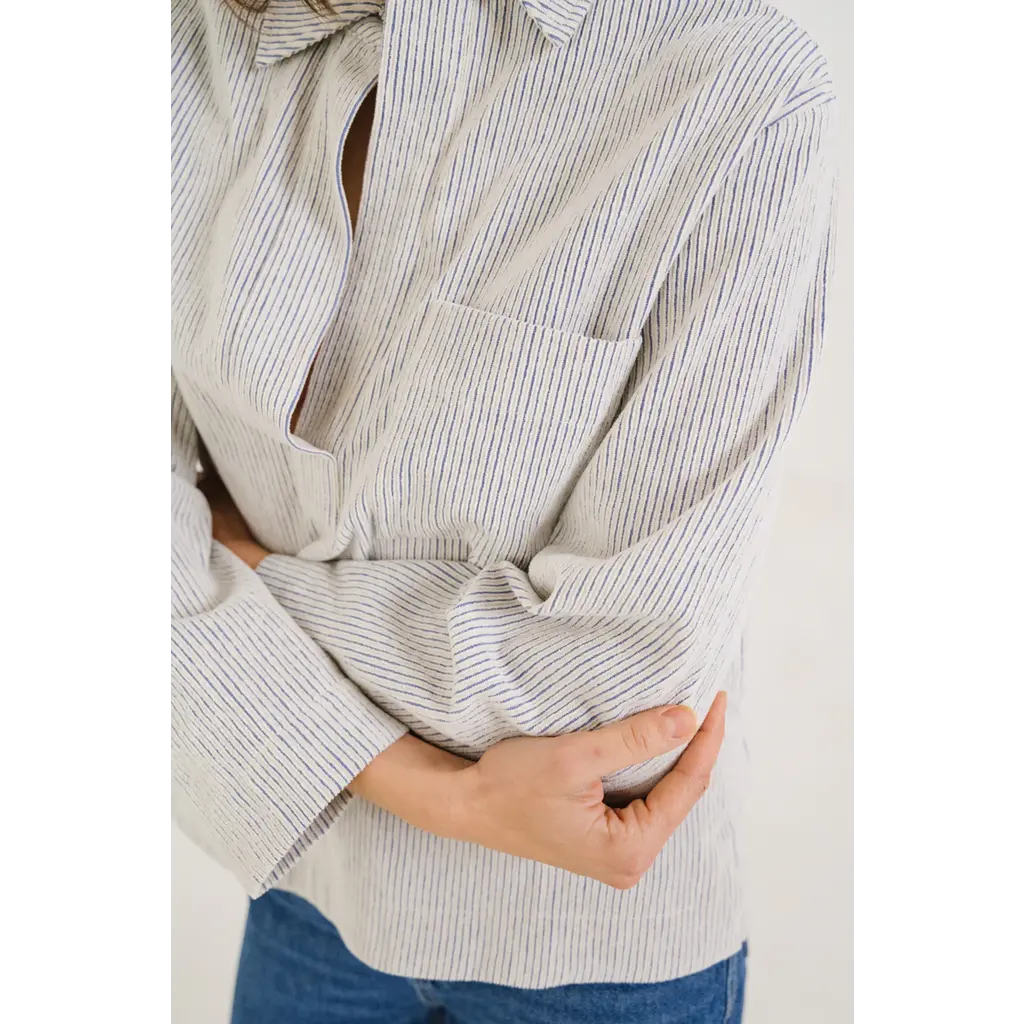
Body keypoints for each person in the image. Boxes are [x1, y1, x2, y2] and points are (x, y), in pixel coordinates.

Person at [168, 0, 837, 1020]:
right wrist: (434, 787)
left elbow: (618, 686)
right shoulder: (196, 41)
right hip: (317, 885)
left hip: (597, 952)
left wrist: (241, 576)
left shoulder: (739, 83)